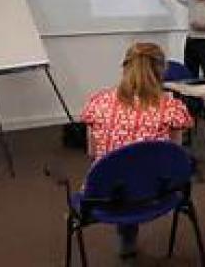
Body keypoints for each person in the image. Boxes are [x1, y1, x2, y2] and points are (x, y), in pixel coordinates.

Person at [80, 42, 193, 261]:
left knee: (121, 172)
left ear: (125, 68)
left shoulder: (97, 103)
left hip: (106, 194)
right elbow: (175, 157)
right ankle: (129, 232)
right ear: (161, 70)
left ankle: (126, 236)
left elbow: (92, 152)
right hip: (158, 194)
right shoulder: (171, 108)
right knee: (144, 172)